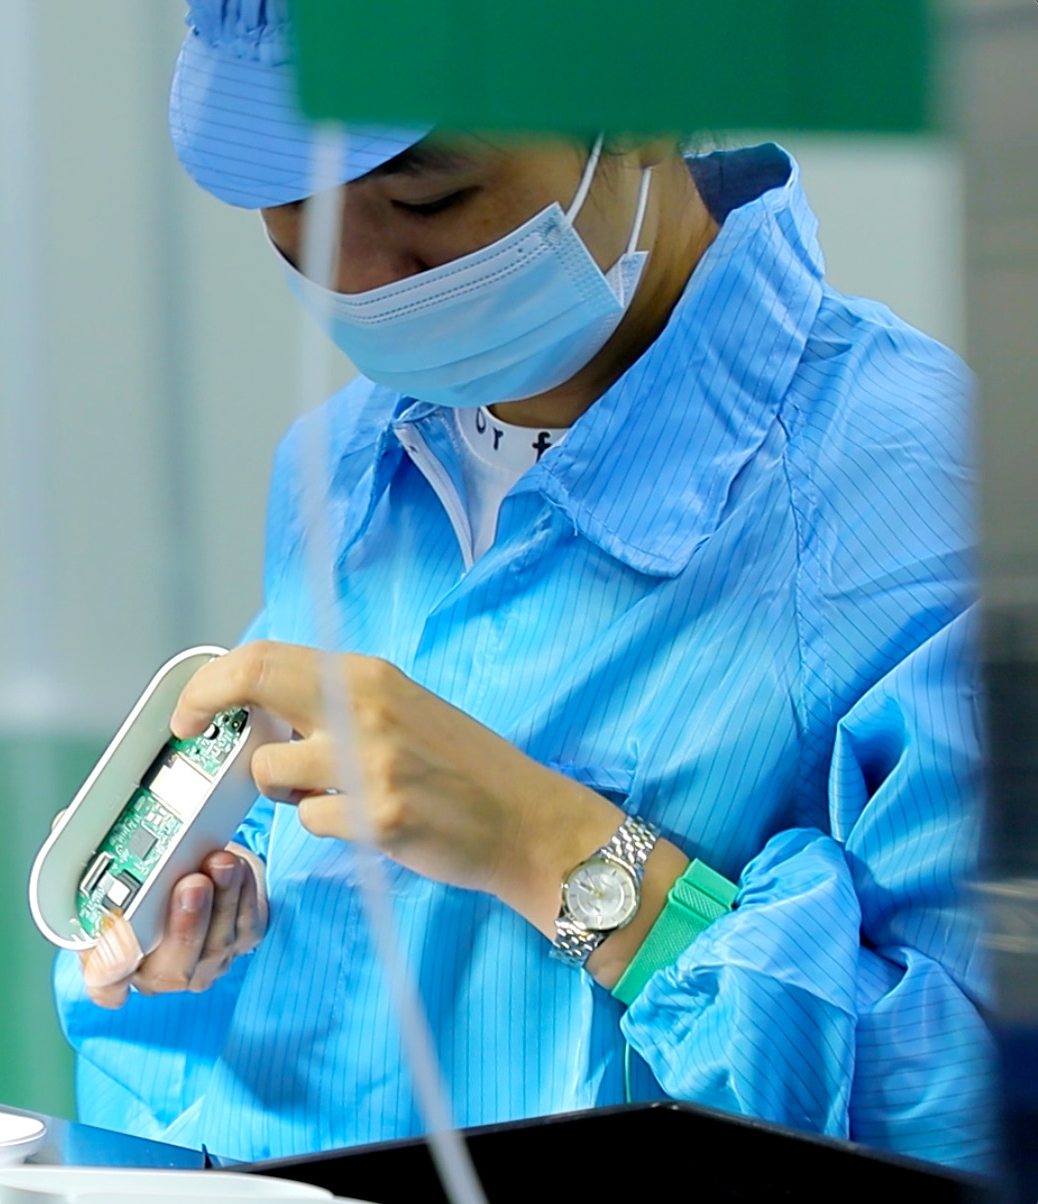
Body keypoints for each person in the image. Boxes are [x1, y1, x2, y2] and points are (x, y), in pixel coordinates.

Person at [54, 0, 992, 1172]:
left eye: (425, 197)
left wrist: (546, 844)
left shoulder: (919, 491)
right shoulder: (344, 464)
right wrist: (210, 934)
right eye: (288, 198)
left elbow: (968, 1114)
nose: (353, 278)